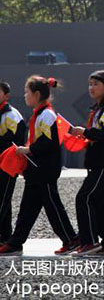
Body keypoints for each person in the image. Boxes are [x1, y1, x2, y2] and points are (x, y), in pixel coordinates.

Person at [0, 76, 78, 256]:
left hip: (45, 169)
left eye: (27, 92)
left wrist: (27, 150)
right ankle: (15, 242)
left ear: (36, 94)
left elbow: (48, 143)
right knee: (27, 208)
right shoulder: (41, 114)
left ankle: (71, 239)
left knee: (53, 207)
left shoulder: (46, 115)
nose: (25, 95)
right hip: (36, 170)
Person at [70, 70, 104, 256]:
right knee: (102, 203)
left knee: (83, 198)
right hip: (98, 162)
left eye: (96, 84)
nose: (91, 88)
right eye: (90, 84)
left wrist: (84, 132)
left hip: (103, 163)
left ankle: (90, 242)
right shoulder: (100, 109)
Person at [0, 82, 26, 246]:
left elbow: (14, 141)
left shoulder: (11, 115)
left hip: (8, 164)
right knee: (4, 201)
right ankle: (6, 236)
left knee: (2, 200)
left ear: (7, 96)